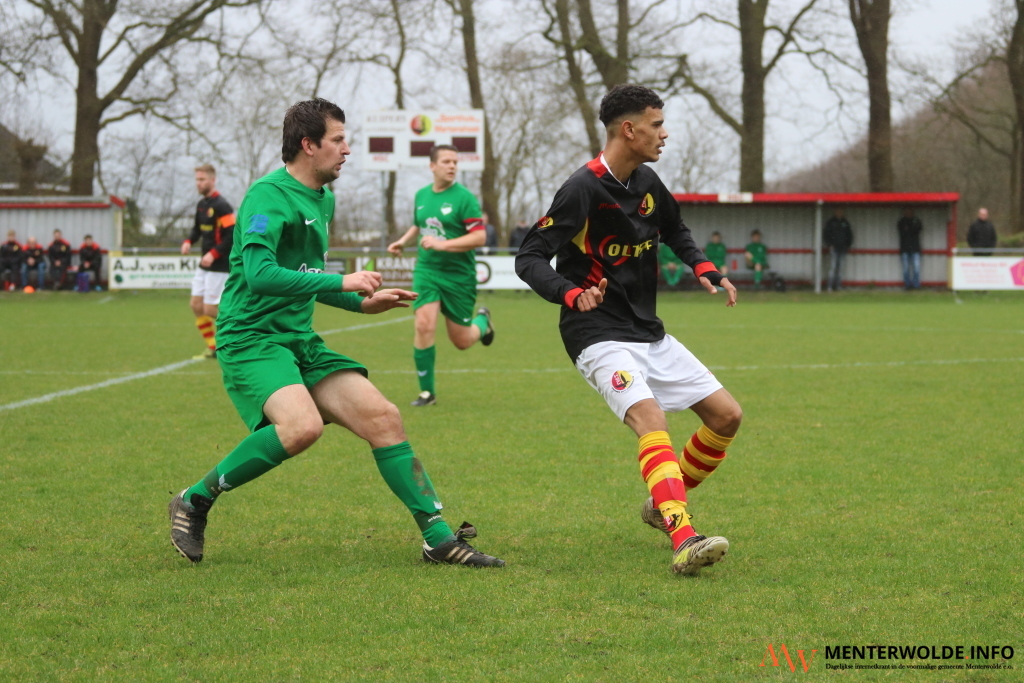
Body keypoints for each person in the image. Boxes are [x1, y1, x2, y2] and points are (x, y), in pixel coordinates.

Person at [169, 98, 503, 568]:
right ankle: (194, 499)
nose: (347, 149)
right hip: (251, 338)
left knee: (384, 417)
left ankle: (438, 539)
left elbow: (307, 276)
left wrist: (363, 301)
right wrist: (342, 282)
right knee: (301, 427)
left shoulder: (324, 198)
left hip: (299, 340)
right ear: (309, 145)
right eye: (339, 140)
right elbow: (261, 274)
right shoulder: (268, 196)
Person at [515, 84, 742, 576]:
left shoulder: (647, 182)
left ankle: (661, 503)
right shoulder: (582, 189)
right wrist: (569, 292)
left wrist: (703, 266)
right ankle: (683, 537)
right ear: (629, 129)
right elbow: (528, 257)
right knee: (651, 419)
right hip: (595, 332)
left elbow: (674, 228)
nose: (664, 133)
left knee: (727, 416)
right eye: (657, 124)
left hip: (647, 331)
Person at [386, 144, 495, 407]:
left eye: (455, 162)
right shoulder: (421, 195)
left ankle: (483, 322)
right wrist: (402, 242)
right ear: (432, 166)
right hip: (427, 271)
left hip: (459, 276)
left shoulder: (465, 198)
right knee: (424, 325)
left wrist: (442, 244)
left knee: (462, 341)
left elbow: (479, 237)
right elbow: (419, 224)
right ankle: (427, 393)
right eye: (446, 161)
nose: (452, 166)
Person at [181, 164, 236, 359]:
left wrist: (214, 253)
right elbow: (197, 229)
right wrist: (188, 241)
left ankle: (244, 329)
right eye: (197, 179)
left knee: (210, 308)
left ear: (213, 180)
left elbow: (232, 234)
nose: (198, 183)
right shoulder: (201, 205)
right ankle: (213, 347)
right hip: (204, 264)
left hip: (219, 266)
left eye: (202, 179)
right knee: (196, 305)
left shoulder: (222, 205)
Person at [823, 208, 853, 291]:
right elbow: (826, 234)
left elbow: (849, 235)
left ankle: (838, 286)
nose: (839, 213)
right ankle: (829, 286)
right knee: (833, 267)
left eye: (841, 211)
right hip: (834, 248)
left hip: (843, 248)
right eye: (838, 211)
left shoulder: (845, 222)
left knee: (840, 268)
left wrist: (847, 245)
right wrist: (829, 245)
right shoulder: (831, 222)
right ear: (835, 212)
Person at [896, 208, 923, 289]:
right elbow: (903, 232)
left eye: (910, 212)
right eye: (907, 212)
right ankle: (907, 285)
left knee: (916, 268)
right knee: (906, 268)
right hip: (905, 249)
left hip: (915, 248)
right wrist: (911, 229)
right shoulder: (901, 222)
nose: (908, 213)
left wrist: (909, 229)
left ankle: (916, 285)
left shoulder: (916, 221)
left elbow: (918, 229)